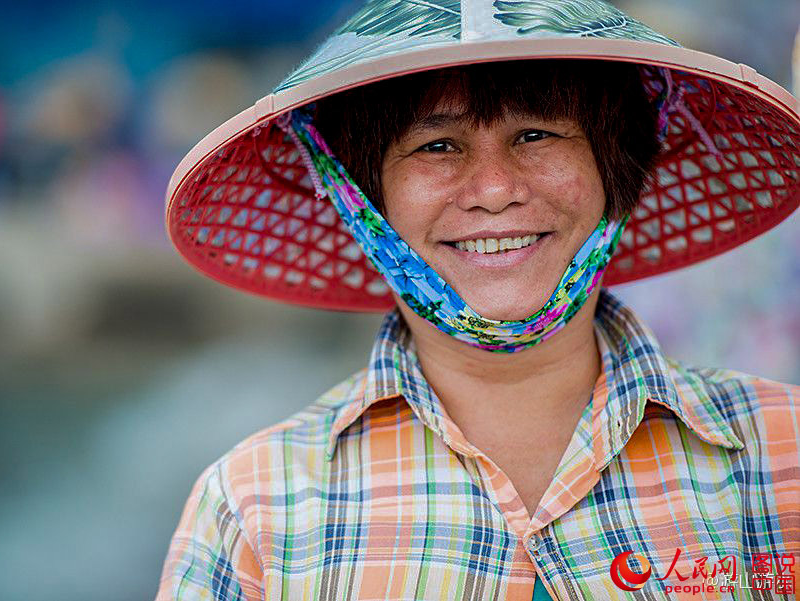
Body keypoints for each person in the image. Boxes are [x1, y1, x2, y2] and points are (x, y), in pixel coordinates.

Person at [155, 1, 799, 599]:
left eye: (536, 135)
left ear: (617, 166)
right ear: (355, 192)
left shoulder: (782, 448)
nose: (494, 190)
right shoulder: (256, 502)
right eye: (436, 146)